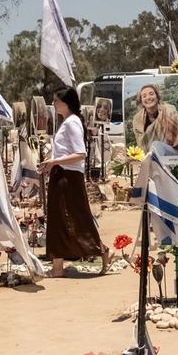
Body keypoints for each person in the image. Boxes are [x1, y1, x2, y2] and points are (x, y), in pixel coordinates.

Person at [40, 86, 105, 277]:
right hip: (61, 174)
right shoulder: (67, 122)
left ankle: (100, 249)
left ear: (65, 103)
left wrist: (54, 161)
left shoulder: (72, 123)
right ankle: (58, 266)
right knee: (58, 219)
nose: (53, 104)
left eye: (56, 101)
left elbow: (80, 154)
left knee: (75, 217)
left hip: (68, 177)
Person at [128, 83, 178, 150]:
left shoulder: (169, 111)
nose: (148, 98)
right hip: (149, 155)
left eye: (151, 94)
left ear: (157, 97)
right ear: (141, 101)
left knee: (156, 145)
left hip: (174, 153)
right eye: (144, 96)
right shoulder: (137, 119)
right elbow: (141, 143)